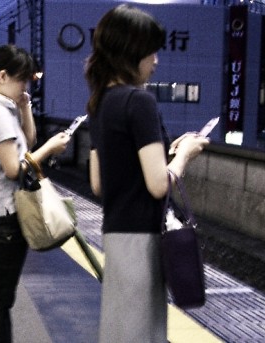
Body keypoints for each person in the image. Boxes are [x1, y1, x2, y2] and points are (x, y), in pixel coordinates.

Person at [84, 5, 210, 342]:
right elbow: (158, 185)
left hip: (115, 233)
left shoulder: (99, 102)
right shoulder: (139, 102)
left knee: (120, 330)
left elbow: (99, 183)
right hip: (143, 240)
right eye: (151, 51)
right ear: (131, 52)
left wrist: (161, 155)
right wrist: (184, 154)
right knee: (142, 333)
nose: (156, 61)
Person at [0, 44, 70, 343]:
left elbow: (27, 141)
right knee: (1, 297)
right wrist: (50, 149)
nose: (24, 86)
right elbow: (14, 169)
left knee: (2, 296)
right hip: (3, 215)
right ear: (3, 76)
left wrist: (25, 106)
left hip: (2, 211)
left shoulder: (4, 108)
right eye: (21, 80)